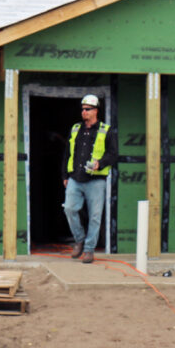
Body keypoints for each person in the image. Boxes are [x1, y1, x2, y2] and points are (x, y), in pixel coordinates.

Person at [61, 94, 117, 264]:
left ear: (96, 111)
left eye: (87, 109)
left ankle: (89, 250)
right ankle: (79, 239)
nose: (84, 112)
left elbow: (114, 154)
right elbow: (68, 153)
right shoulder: (76, 128)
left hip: (96, 180)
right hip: (75, 179)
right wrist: (65, 175)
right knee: (69, 209)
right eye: (82, 109)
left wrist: (100, 163)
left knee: (94, 216)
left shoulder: (106, 130)